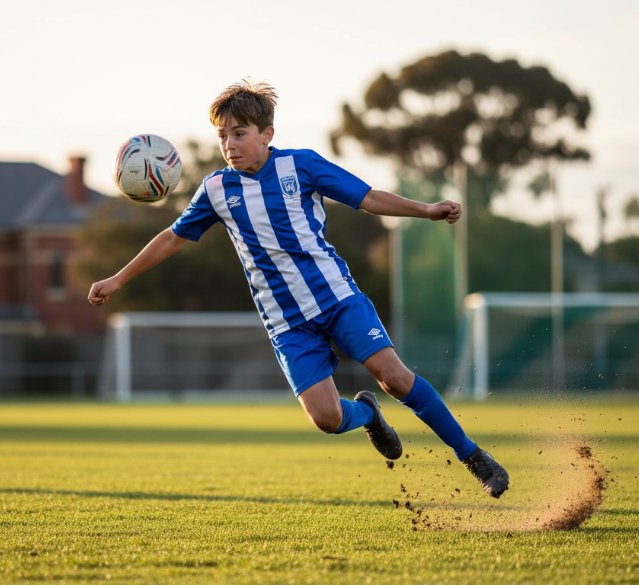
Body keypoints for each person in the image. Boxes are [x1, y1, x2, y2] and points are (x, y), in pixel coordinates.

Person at [88, 80, 509, 498]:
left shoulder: (301, 165)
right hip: (287, 322)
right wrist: (118, 279)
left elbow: (368, 198)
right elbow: (172, 237)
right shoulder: (217, 189)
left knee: (395, 378)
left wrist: (427, 210)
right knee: (326, 418)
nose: (229, 145)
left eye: (239, 134)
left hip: (337, 297)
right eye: (222, 137)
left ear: (267, 134)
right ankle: (368, 416)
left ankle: (473, 455)